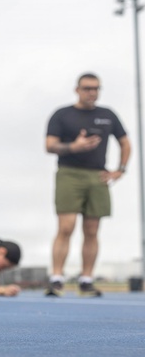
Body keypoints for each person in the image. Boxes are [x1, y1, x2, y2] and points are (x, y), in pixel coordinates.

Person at [45, 72, 130, 297]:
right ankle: (56, 278)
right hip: (69, 174)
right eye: (87, 88)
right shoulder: (62, 114)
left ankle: (86, 279)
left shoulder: (108, 115)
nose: (92, 92)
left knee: (92, 230)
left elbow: (124, 142)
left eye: (96, 88)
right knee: (66, 227)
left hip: (98, 176)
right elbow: (49, 145)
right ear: (77, 89)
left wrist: (120, 170)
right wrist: (74, 147)